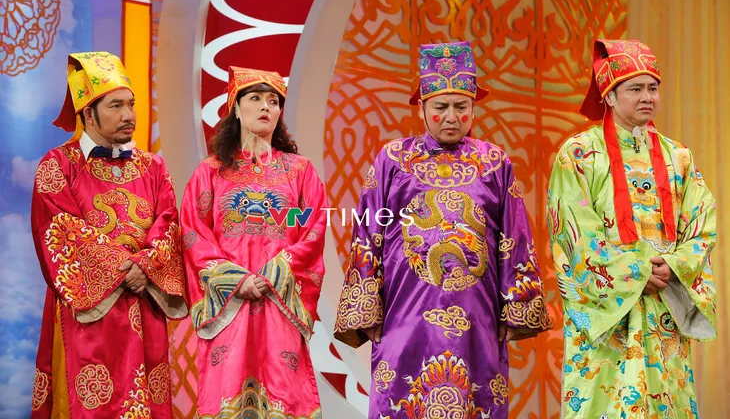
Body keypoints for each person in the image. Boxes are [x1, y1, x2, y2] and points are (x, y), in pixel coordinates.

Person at [333, 41, 553, 419]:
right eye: (441, 107)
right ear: (421, 107)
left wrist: (516, 308)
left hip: (477, 314)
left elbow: (514, 236)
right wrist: (367, 308)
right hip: (405, 311)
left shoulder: (493, 162)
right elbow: (368, 231)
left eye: (461, 106)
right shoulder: (394, 159)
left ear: (473, 107)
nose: (451, 117)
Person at [547, 39, 717, 418]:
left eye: (653, 88)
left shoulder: (678, 156)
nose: (647, 97)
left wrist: (675, 265)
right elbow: (572, 233)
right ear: (608, 95)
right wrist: (637, 269)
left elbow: (702, 222)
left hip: (664, 304)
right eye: (635, 89)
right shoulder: (579, 154)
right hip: (608, 312)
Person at [30, 51, 188, 418]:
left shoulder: (153, 166)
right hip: (87, 311)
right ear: (88, 113)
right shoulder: (58, 165)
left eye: (131, 104)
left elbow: (169, 222)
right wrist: (125, 269)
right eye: (116, 106)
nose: (129, 115)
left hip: (145, 304)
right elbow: (60, 230)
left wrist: (146, 265)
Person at [181, 67, 327, 418]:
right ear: (235, 107)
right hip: (230, 304)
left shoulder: (299, 171)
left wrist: (274, 273)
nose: (265, 107)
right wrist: (236, 280)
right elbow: (193, 232)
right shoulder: (211, 171)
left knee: (284, 392)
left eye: (273, 101)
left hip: (279, 299)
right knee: (227, 387)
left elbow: (312, 228)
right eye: (255, 98)